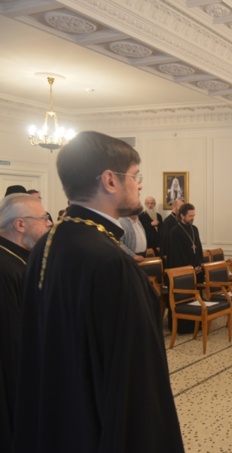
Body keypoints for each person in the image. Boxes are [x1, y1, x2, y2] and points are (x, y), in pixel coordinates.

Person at [13, 131, 184, 452]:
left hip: (60, 425)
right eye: (135, 176)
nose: (140, 185)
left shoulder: (47, 245)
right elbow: (138, 388)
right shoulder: (111, 263)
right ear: (110, 180)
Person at [0, 193, 52, 451]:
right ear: (20, 224)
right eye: (43, 218)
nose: (49, 223)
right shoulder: (5, 268)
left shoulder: (21, 259)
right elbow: (12, 341)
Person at [166, 202, 203, 334]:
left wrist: (199, 265)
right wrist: (190, 268)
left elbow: (198, 249)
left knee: (194, 297)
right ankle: (182, 327)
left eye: (194, 215)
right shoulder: (175, 232)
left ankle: (196, 324)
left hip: (195, 270)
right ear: (182, 215)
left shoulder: (195, 229)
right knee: (182, 298)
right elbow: (177, 255)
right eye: (190, 215)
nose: (193, 218)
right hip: (182, 272)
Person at [159, 198, 183, 264]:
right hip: (171, 253)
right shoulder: (168, 221)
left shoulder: (181, 219)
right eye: (181, 206)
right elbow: (165, 238)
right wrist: (165, 254)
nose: (182, 209)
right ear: (174, 206)